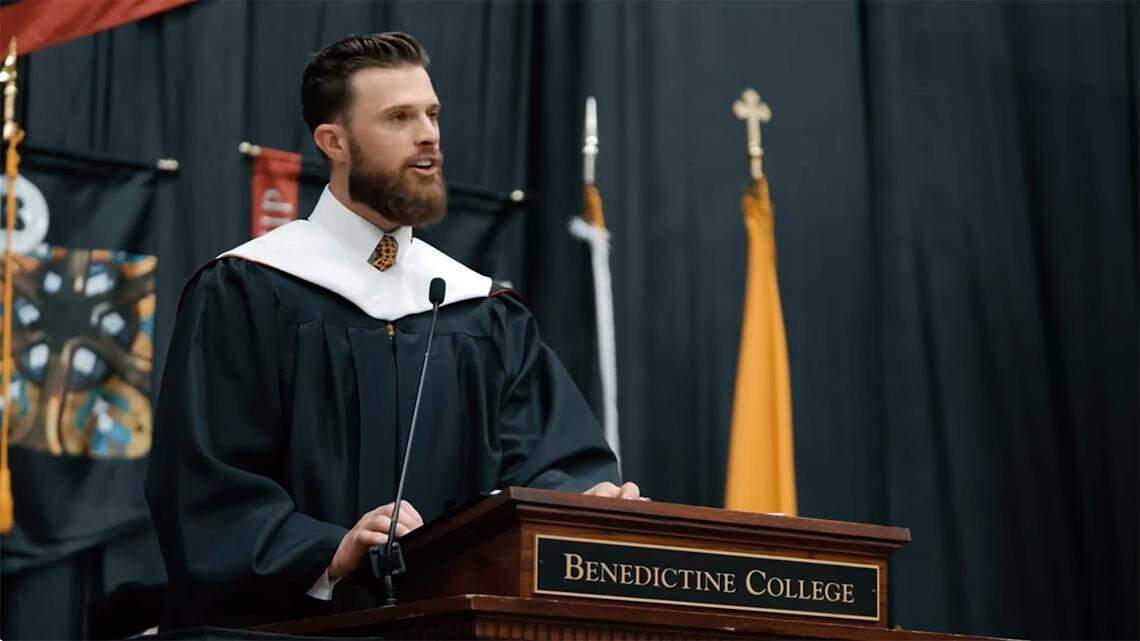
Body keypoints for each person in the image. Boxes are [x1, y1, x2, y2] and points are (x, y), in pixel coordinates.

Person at [144, 32, 639, 630]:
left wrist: (580, 506)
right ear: (335, 141)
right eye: (399, 118)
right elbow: (204, 484)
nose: (428, 133)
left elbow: (549, 461)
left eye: (431, 114)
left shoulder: (477, 309)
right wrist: (327, 549)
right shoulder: (249, 289)